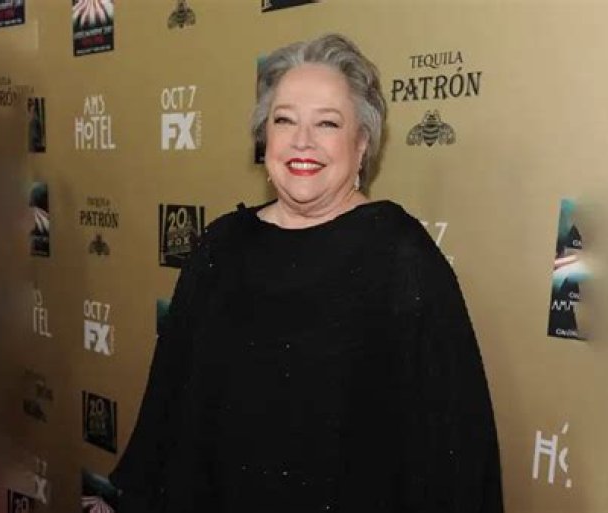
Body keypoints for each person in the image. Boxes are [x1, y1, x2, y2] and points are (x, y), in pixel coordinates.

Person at [110, 33, 504, 512]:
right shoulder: (221, 246)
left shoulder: (401, 256)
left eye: (327, 123)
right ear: (265, 137)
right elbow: (167, 417)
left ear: (362, 143)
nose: (302, 140)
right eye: (284, 120)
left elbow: (454, 452)